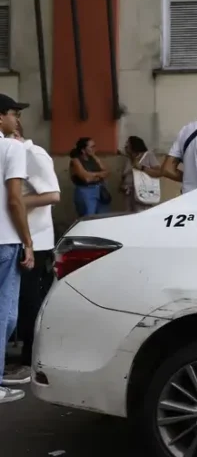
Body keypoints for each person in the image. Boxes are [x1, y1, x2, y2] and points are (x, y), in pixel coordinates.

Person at [3, 120, 59, 387]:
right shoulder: (13, 152)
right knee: (19, 301)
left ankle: (30, 360)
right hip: (19, 236)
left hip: (35, 239)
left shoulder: (32, 154)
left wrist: (14, 203)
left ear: (14, 132)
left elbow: (53, 194)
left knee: (28, 301)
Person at [0, 94, 34, 403]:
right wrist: (28, 241)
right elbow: (14, 199)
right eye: (14, 113)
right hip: (5, 240)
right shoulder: (12, 148)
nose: (17, 120)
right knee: (5, 315)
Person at [69, 137, 110, 216]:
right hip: (85, 191)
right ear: (83, 150)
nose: (94, 149)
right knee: (89, 216)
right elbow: (86, 178)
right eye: (91, 147)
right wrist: (99, 175)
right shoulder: (76, 161)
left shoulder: (94, 158)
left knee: (104, 215)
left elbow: (107, 172)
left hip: (100, 189)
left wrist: (92, 174)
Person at [121, 136, 162, 213]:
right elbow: (125, 174)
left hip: (143, 192)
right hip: (129, 193)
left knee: (141, 213)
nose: (125, 146)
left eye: (128, 144)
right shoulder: (129, 159)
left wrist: (142, 167)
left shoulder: (148, 156)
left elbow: (159, 172)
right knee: (128, 215)